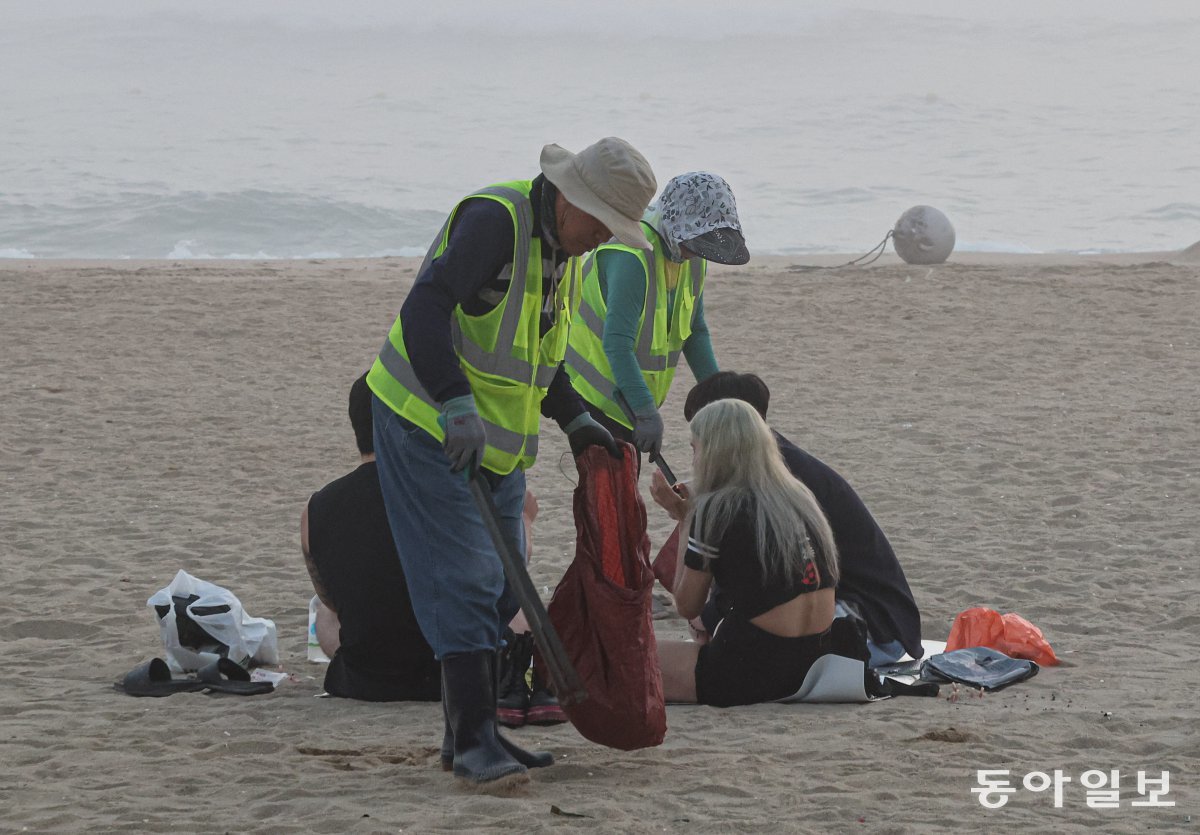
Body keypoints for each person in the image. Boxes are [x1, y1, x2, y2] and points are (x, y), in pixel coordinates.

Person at [366, 137, 657, 790]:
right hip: (422, 419)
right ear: (569, 198)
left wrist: (577, 418)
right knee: (466, 580)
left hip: (495, 443)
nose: (604, 238)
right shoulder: (496, 223)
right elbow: (425, 306)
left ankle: (467, 735)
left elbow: (540, 357)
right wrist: (454, 402)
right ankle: (474, 745)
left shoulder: (569, 253)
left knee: (501, 586)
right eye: (602, 223)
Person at [302, 374, 554, 714]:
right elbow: (508, 576)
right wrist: (525, 520)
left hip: (368, 679)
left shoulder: (317, 507)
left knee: (324, 614)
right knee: (519, 604)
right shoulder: (453, 490)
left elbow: (330, 598)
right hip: (456, 673)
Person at [650, 372, 923, 666]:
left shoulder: (772, 487)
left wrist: (711, 613)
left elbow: (747, 576)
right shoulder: (774, 471)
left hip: (873, 627)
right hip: (876, 620)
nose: (697, 456)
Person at [654, 398, 869, 706]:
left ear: (714, 452)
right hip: (817, 660)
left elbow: (687, 604)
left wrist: (686, 518)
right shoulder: (800, 499)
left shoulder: (716, 508)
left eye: (695, 448)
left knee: (625, 659)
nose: (694, 458)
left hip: (752, 668)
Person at [565, 172, 749, 458]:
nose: (698, 250)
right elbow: (616, 343)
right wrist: (645, 411)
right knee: (608, 486)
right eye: (696, 239)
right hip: (593, 392)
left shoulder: (691, 257)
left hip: (631, 395)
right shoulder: (631, 256)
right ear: (676, 223)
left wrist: (719, 399)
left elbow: (695, 331)